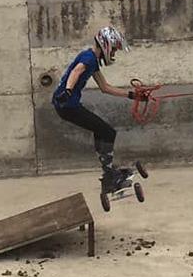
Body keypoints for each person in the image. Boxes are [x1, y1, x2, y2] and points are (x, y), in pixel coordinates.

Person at [51, 24, 136, 198]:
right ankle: (109, 177)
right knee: (107, 132)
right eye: (114, 49)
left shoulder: (93, 62)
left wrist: (131, 95)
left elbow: (105, 87)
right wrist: (68, 90)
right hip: (67, 105)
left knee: (101, 130)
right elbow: (77, 70)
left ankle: (108, 173)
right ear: (106, 44)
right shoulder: (88, 58)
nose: (113, 53)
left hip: (68, 106)